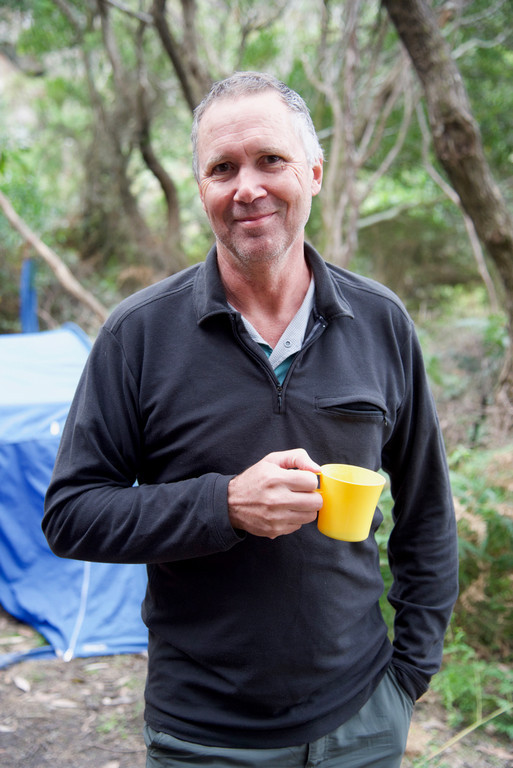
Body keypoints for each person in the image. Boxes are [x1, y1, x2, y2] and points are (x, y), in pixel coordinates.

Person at [43, 72, 459, 768]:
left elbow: (427, 515)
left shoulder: (380, 322)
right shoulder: (137, 335)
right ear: (201, 188)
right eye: (222, 169)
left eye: (270, 160)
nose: (247, 188)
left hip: (361, 722)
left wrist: (408, 676)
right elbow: (71, 515)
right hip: (202, 735)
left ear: (313, 173)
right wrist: (225, 505)